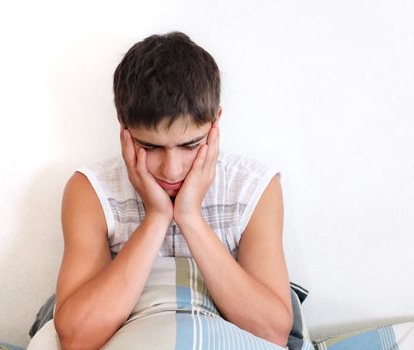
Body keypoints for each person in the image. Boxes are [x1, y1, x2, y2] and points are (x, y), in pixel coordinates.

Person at [52, 32, 293, 349]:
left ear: (215, 124)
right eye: (150, 147)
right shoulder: (90, 190)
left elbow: (272, 332)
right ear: (123, 127)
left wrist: (190, 217)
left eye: (190, 145)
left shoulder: (254, 187)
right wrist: (156, 217)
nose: (172, 169)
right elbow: (77, 338)